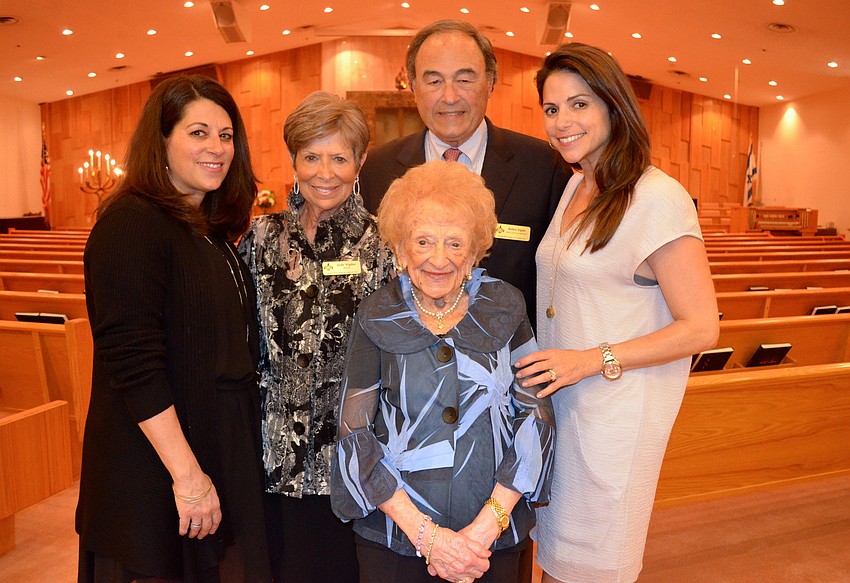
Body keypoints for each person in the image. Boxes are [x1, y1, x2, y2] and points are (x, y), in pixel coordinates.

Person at [514, 43, 721, 582]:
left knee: (595, 566)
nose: (562, 121)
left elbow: (702, 327)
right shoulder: (578, 184)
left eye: (579, 104)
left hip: (613, 418)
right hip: (564, 409)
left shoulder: (657, 198)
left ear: (613, 104)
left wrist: (590, 359)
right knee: (556, 562)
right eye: (552, 109)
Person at [76, 75, 272, 582]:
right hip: (156, 466)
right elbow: (134, 363)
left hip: (212, 443)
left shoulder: (207, 229)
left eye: (226, 136)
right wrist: (187, 476)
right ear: (161, 142)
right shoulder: (131, 223)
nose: (217, 148)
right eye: (198, 133)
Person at [331, 160, 556, 583]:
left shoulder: (504, 307)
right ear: (401, 250)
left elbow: (536, 419)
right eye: (423, 241)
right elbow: (354, 432)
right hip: (395, 537)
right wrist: (429, 537)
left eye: (455, 243)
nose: (439, 259)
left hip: (491, 539)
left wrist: (484, 529)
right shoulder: (377, 313)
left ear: (473, 253)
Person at [238, 91, 394, 583]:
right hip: (271, 458)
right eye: (311, 157)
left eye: (339, 158)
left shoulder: (384, 245)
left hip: (351, 464)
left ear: (360, 162)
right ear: (294, 161)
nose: (325, 173)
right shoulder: (260, 239)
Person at [358, 19, 568, 328]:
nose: (450, 96)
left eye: (465, 79)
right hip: (404, 351)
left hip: (511, 351)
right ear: (414, 87)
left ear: (490, 82)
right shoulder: (378, 169)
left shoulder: (544, 166)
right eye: (434, 81)